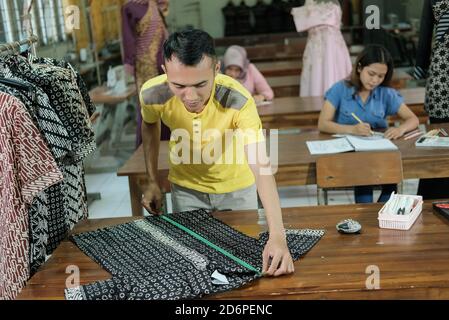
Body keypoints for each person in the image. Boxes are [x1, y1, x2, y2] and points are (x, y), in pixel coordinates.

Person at [139, 29, 293, 276]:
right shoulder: (152, 94)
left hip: (237, 188)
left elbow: (262, 169)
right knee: (193, 263)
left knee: (245, 263)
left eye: (201, 84)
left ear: (216, 69)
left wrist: (278, 235)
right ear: (165, 71)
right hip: (186, 189)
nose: (190, 97)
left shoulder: (238, 100)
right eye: (178, 85)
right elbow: (149, 125)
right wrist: (151, 180)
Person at [318, 44, 419, 203]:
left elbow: (413, 119)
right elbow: (323, 124)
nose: (375, 80)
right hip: (350, 157)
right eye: (371, 74)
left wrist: (400, 129)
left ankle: (378, 215)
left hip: (380, 155)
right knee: (365, 174)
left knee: (391, 176)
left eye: (381, 76)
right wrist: (352, 129)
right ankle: (369, 214)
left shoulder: (385, 93)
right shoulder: (340, 89)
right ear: (359, 68)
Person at [413, 0, 449, 200]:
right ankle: (432, 198)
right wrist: (420, 65)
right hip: (442, 74)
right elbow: (425, 32)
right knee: (439, 140)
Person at [121, 0, 170, 146]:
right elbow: (128, 38)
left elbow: (164, 33)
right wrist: (129, 61)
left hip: (162, 63)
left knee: (166, 103)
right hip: (144, 66)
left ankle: (166, 141)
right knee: (148, 105)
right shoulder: (129, 8)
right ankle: (148, 146)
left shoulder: (155, 4)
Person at [291, 0, 352, 97]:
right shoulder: (310, 3)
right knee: (317, 75)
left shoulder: (336, 3)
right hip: (317, 47)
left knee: (334, 72)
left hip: (333, 46)